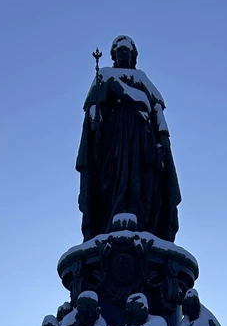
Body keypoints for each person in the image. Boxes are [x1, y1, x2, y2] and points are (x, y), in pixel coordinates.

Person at [76, 37, 181, 241]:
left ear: (133, 55)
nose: (124, 54)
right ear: (113, 55)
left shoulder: (140, 77)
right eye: (120, 51)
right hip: (113, 136)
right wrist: (93, 118)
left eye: (127, 51)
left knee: (140, 178)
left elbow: (157, 105)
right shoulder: (104, 75)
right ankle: (111, 217)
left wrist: (162, 140)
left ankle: (141, 219)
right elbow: (92, 106)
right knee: (112, 175)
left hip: (141, 138)